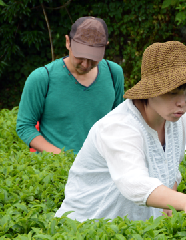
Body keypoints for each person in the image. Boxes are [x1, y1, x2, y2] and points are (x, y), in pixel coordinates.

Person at [55, 41, 186, 222]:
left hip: (136, 235)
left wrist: (170, 203)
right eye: (173, 92)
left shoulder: (178, 120)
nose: (182, 103)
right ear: (151, 90)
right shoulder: (119, 126)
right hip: (86, 231)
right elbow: (134, 183)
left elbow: (171, 170)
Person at [16, 17, 124, 154]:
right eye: (80, 56)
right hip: (56, 169)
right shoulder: (42, 78)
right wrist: (61, 157)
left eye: (93, 59)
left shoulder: (114, 73)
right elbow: (25, 126)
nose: (85, 64)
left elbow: (118, 121)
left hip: (101, 167)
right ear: (68, 42)